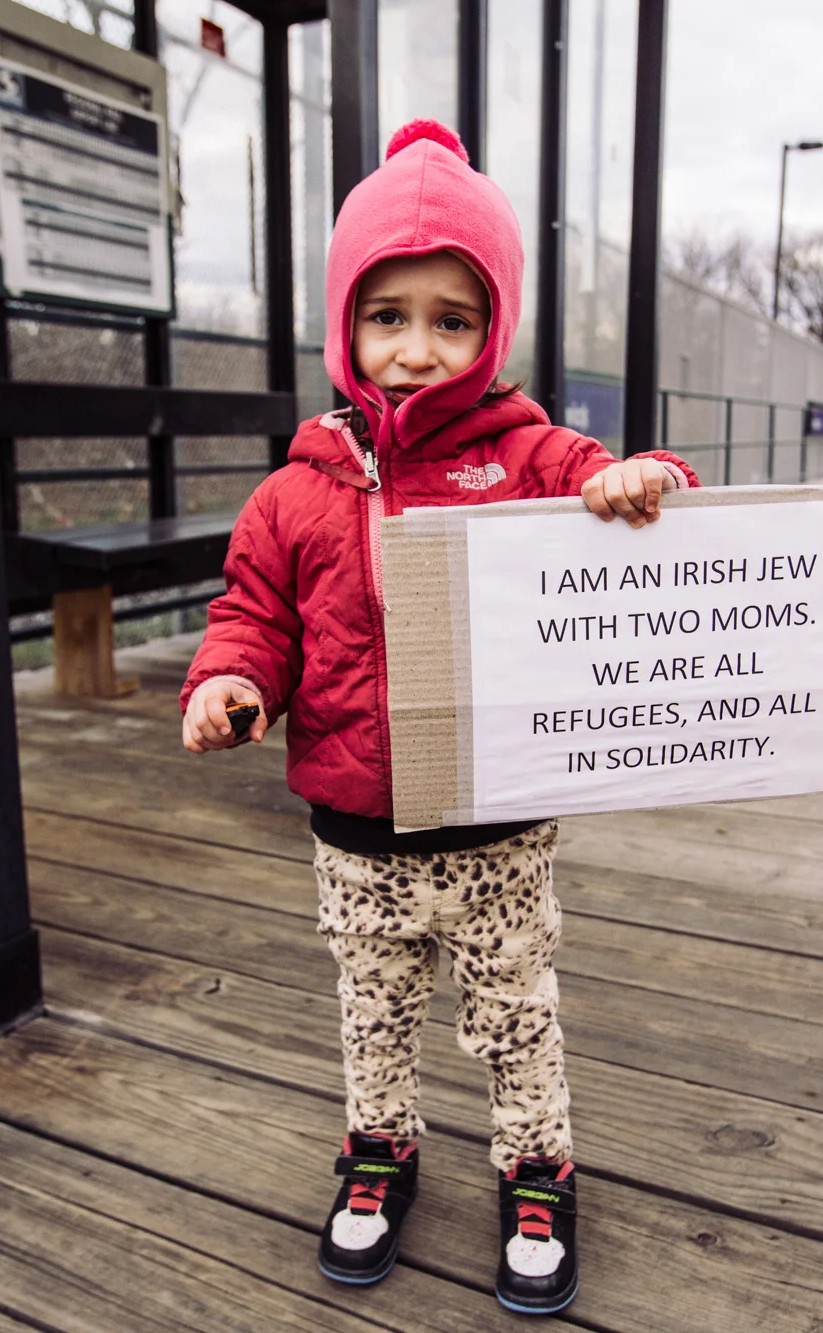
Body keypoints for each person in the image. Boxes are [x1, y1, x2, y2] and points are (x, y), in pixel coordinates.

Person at [179, 119, 699, 1317]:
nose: (417, 349)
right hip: (354, 829)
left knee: (516, 1011)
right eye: (389, 315)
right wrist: (228, 681)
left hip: (497, 827)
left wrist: (633, 480)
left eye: (452, 319)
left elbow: (609, 478)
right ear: (343, 325)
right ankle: (379, 1150)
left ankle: (534, 1167)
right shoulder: (293, 491)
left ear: (492, 331)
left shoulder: (523, 455)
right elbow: (252, 612)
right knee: (374, 1013)